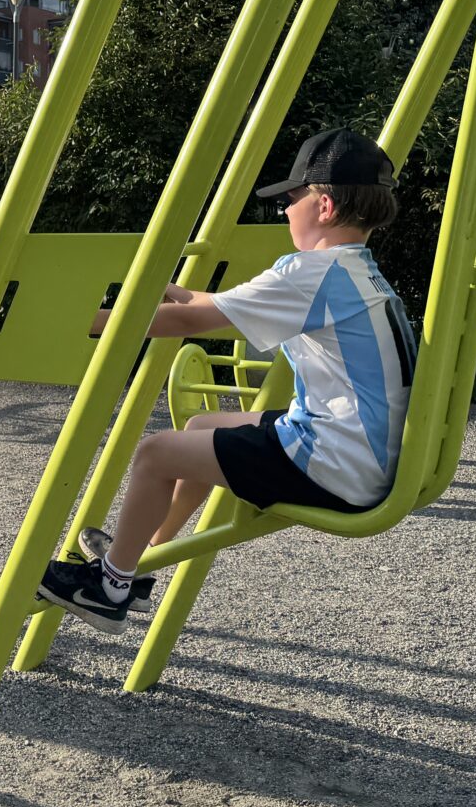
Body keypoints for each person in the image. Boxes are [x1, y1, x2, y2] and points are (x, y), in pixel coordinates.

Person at [38, 128, 417, 633]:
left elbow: (187, 321)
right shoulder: (354, 272)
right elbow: (215, 307)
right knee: (200, 426)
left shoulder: (310, 273)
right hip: (363, 453)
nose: (285, 211)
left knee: (155, 453)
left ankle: (108, 589)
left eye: (289, 200)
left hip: (336, 463)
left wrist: (76, 318)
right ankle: (141, 560)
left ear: (323, 206)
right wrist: (164, 288)